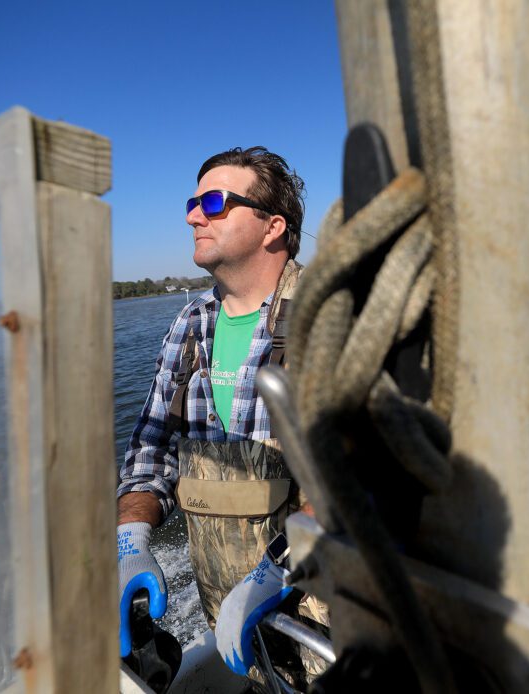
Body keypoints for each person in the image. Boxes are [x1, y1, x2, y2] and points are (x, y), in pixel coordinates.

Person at [116, 147, 325, 689]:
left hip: (325, 629)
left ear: (272, 227)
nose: (193, 216)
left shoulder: (328, 316)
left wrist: (276, 569)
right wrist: (130, 540)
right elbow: (151, 450)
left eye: (213, 202)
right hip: (234, 630)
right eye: (193, 202)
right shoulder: (190, 324)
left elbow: (369, 477)